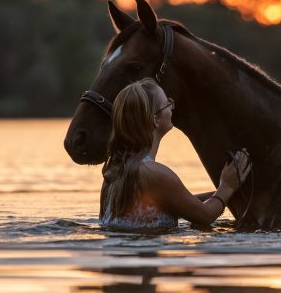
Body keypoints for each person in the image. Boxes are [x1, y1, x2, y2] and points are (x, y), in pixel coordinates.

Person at [100, 78, 251, 230]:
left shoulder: (115, 171)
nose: (172, 108)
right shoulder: (154, 173)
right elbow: (205, 216)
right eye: (167, 103)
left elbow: (175, 203)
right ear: (155, 120)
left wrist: (219, 193)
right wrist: (228, 186)